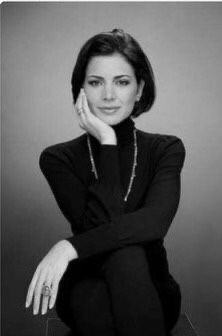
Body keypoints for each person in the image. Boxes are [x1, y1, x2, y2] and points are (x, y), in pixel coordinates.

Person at [25, 28, 186, 336]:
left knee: (129, 256)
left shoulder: (166, 148)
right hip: (87, 284)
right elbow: (98, 226)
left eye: (122, 82)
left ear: (139, 89)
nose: (109, 95)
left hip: (152, 286)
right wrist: (108, 141)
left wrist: (68, 248)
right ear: (81, 90)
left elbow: (155, 223)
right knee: (104, 292)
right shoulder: (58, 159)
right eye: (96, 82)